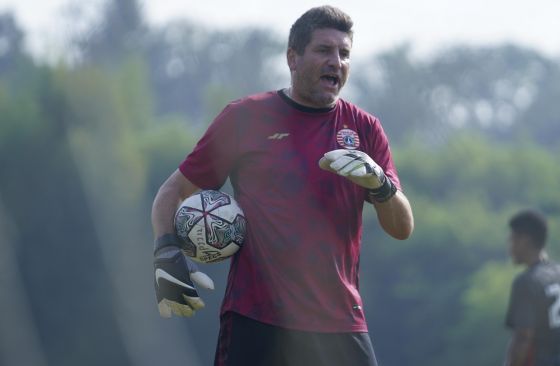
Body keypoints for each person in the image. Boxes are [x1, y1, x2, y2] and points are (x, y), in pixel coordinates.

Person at [151, 5, 414, 366]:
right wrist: (166, 253)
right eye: (324, 50)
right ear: (293, 57)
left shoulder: (365, 129)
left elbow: (402, 227)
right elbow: (172, 193)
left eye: (344, 53)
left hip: (339, 322)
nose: (336, 61)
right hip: (257, 319)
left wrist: (381, 186)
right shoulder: (245, 118)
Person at [504, 210, 560, 366]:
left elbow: (523, 339)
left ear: (525, 240)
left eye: (513, 240)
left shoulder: (527, 283)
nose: (510, 247)